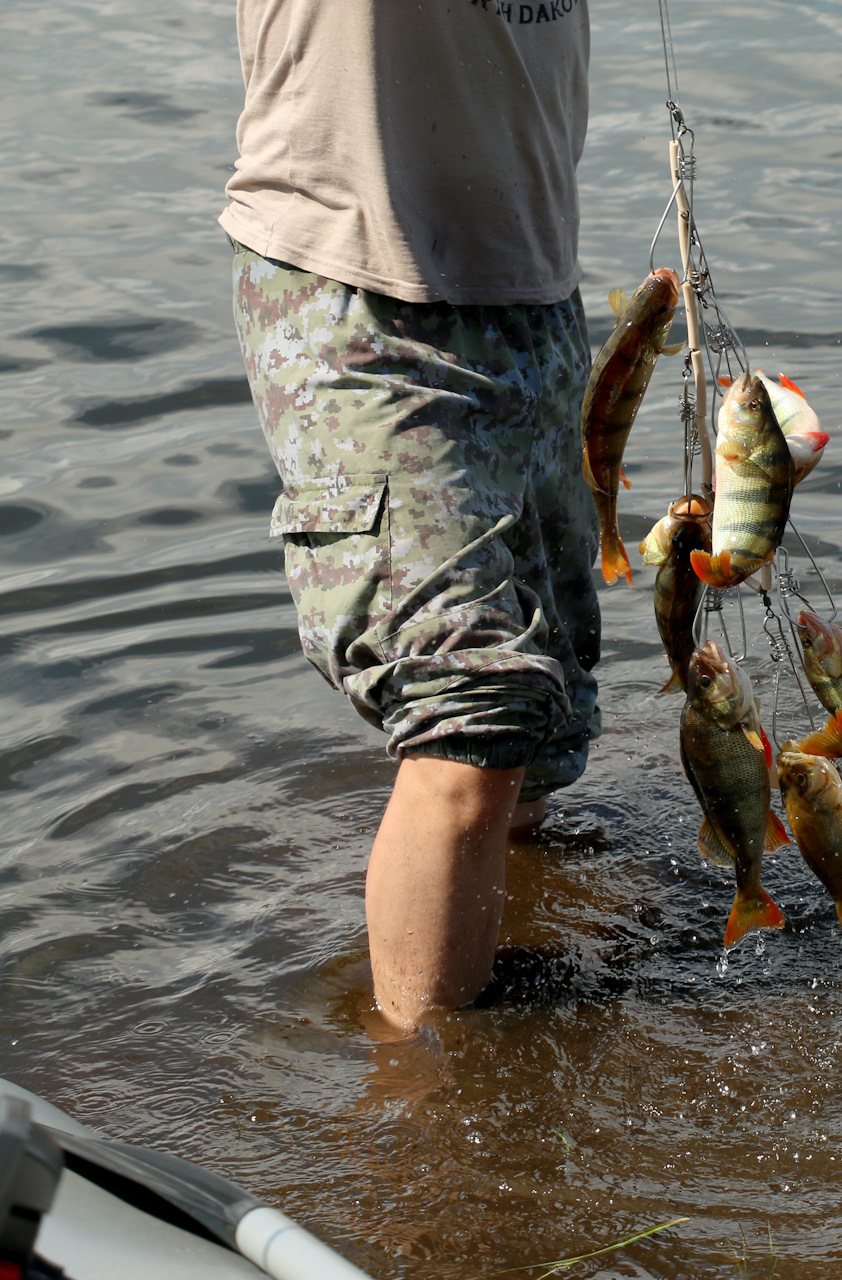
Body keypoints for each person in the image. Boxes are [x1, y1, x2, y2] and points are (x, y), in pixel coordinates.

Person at [220, 1, 600, 1030]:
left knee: (540, 725)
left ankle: (500, 961)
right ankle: (428, 1129)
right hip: (366, 295)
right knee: (473, 711)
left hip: (534, 292)